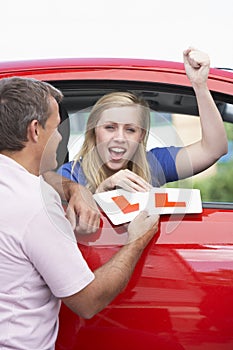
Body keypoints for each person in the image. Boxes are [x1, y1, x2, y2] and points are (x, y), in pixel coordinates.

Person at [0, 77, 159, 350]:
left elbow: (45, 180)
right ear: (35, 131)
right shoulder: (34, 203)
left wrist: (76, 190)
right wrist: (137, 239)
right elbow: (87, 302)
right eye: (56, 126)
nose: (61, 136)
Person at [58, 48, 228, 193]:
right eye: (110, 127)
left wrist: (199, 84)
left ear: (141, 135)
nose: (120, 137)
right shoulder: (70, 173)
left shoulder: (153, 164)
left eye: (130, 129)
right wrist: (104, 189)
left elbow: (213, 149)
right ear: (94, 131)